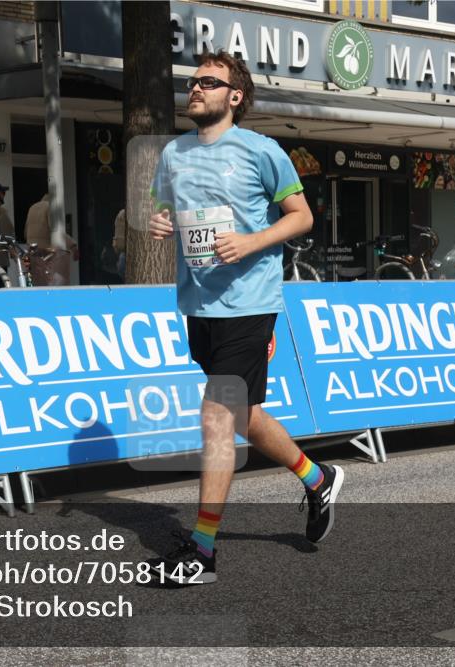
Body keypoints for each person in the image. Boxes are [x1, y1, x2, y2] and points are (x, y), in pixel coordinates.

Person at [146, 50, 345, 586]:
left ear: (235, 96)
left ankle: (202, 552)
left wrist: (251, 241)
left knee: (217, 415)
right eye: (193, 81)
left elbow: (301, 216)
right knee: (243, 414)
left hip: (250, 304)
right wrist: (159, 223)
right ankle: (317, 478)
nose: (196, 88)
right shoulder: (173, 153)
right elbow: (163, 210)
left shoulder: (262, 151)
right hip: (199, 305)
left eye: (209, 82)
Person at [24, 192, 79, 285]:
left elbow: (26, 232)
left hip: (33, 252)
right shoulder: (51, 207)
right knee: (51, 284)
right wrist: (73, 245)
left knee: (38, 284)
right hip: (47, 254)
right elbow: (56, 231)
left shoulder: (32, 207)